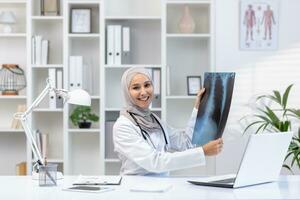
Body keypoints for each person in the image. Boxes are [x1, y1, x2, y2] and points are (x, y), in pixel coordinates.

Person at [113, 68, 223, 176]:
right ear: (127, 92)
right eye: (136, 88)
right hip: (135, 188)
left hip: (161, 187)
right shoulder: (123, 126)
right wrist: (202, 152)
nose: (143, 92)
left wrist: (198, 108)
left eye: (147, 85)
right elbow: (155, 162)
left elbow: (186, 143)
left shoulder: (154, 120)